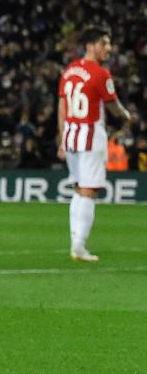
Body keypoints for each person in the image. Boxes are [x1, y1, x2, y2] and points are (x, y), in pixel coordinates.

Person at [57, 26, 132, 262]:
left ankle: (75, 242)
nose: (109, 48)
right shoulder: (101, 74)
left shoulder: (70, 70)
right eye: (104, 43)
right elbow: (113, 105)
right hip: (90, 136)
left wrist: (62, 138)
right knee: (89, 190)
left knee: (79, 188)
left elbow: (62, 107)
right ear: (90, 46)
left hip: (71, 134)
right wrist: (126, 116)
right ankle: (79, 245)